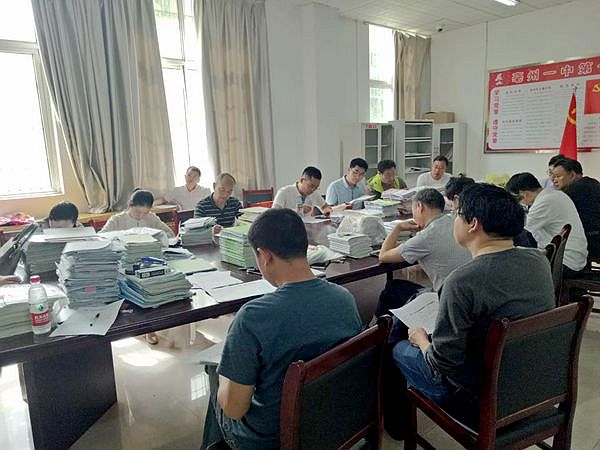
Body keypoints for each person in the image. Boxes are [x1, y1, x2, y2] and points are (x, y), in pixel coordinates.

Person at [384, 183, 554, 439]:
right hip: (535, 385)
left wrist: (421, 341)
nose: (454, 220)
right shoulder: (538, 259)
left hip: (479, 400)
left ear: (473, 224)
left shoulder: (462, 281)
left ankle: (398, 428)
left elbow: (443, 365)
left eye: (457, 214)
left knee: (397, 345)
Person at [201, 208, 362, 449]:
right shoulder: (344, 298)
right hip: (333, 423)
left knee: (214, 374)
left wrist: (225, 371)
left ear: (265, 256)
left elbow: (234, 410)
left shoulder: (252, 318)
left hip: (273, 439)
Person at [378, 188, 471, 314]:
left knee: (393, 287)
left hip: (447, 301)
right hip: (468, 295)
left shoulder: (426, 236)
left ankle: (383, 325)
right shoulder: (454, 222)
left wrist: (398, 228)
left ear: (420, 206)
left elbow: (383, 256)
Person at [506, 172, 588, 277]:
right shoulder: (554, 194)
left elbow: (519, 229)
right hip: (574, 257)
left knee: (509, 264)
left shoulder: (545, 202)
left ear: (523, 194)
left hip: (564, 263)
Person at [550, 158, 600, 257]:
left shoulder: (574, 189)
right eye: (553, 177)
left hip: (590, 241)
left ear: (572, 175)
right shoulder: (593, 183)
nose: (554, 180)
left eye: (558, 176)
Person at [100, 190, 175, 237]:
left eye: (145, 213)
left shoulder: (151, 217)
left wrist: (155, 239)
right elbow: (101, 237)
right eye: (137, 212)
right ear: (129, 205)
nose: (141, 216)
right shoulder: (116, 220)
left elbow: (170, 234)